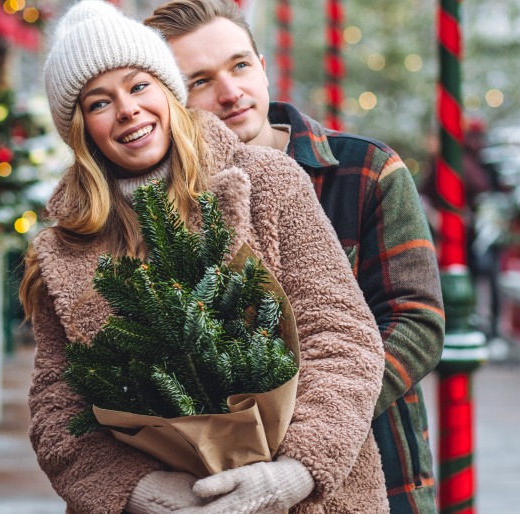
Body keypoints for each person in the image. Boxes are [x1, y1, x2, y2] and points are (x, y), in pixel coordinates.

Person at [22, 2, 389, 513]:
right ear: (80, 128)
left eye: (139, 85)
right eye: (98, 102)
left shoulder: (267, 182)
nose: (128, 109)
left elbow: (340, 335)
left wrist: (298, 469)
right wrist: (137, 491)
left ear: (169, 92)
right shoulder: (64, 247)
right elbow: (57, 405)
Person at [144, 2, 446, 512]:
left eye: (239, 65)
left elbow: (417, 322)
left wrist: (305, 427)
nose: (231, 91)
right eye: (199, 81)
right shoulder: (161, 208)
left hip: (377, 468)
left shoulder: (365, 172)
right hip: (217, 483)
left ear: (263, 65)